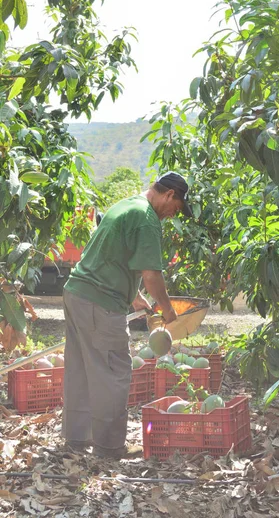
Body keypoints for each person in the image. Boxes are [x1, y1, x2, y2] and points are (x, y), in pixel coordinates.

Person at [61, 171, 193, 459]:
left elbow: (112, 254)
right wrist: (169, 313)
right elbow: (152, 274)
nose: (173, 215)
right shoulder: (147, 219)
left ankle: (76, 438)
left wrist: (136, 299)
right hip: (99, 301)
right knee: (113, 372)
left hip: (77, 293)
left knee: (80, 369)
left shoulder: (126, 204)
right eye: (176, 209)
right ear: (169, 195)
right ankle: (109, 448)